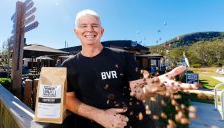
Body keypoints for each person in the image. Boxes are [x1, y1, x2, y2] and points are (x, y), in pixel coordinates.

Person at [62, 9, 199, 128]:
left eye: (94, 25)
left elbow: (138, 91)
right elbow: (68, 99)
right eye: (84, 26)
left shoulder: (124, 57)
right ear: (76, 31)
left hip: (136, 123)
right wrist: (99, 115)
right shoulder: (68, 65)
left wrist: (151, 88)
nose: (89, 30)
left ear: (102, 31)